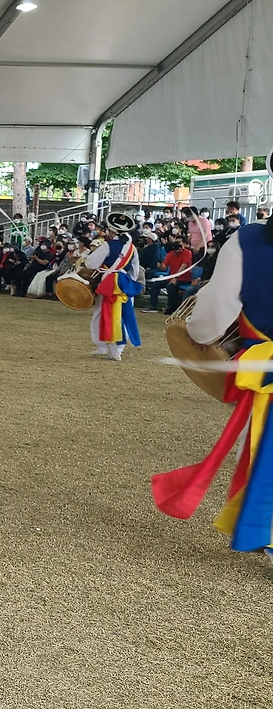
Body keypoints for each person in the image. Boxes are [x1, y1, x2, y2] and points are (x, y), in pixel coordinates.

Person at [150, 211, 273, 560]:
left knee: (265, 450)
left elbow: (215, 310)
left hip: (266, 365)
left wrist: (199, 334)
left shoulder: (248, 241)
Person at [84, 221, 143, 361]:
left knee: (103, 314)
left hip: (109, 283)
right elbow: (135, 270)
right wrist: (127, 282)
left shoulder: (107, 246)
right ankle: (119, 347)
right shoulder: (132, 248)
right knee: (124, 314)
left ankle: (104, 346)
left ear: (111, 231)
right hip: (125, 282)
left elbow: (90, 263)